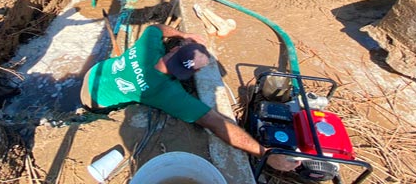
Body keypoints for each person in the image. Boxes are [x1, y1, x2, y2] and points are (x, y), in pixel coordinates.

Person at [80, 24, 300, 171]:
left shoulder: (147, 46)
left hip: (96, 72)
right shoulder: (165, 93)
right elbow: (216, 124)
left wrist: (183, 35)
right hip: (94, 102)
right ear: (187, 74)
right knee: (127, 102)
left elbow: (154, 27)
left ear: (173, 51)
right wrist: (264, 152)